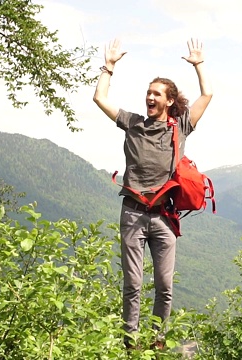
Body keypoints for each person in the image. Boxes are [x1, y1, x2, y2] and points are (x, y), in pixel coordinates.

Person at [92, 38, 213, 348]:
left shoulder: (180, 127)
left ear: (169, 101)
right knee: (132, 284)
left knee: (165, 286)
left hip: (163, 217)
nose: (149, 97)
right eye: (148, 92)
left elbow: (207, 94)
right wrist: (110, 65)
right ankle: (130, 344)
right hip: (133, 213)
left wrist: (199, 65)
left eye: (156, 93)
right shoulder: (132, 123)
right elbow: (99, 97)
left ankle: (158, 342)